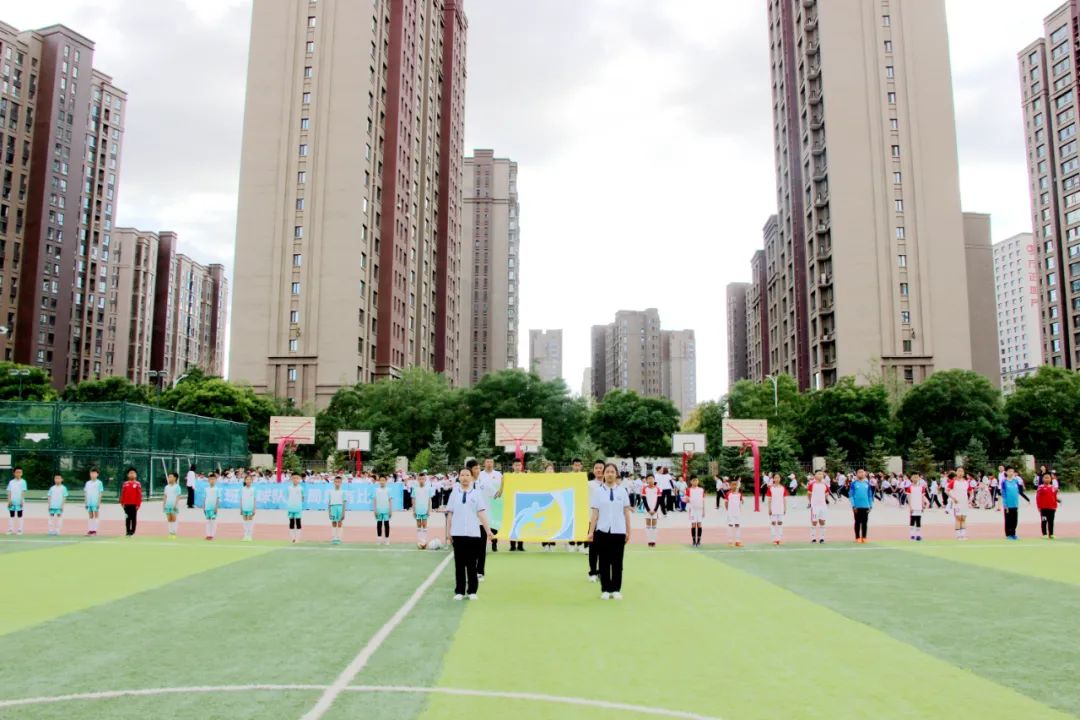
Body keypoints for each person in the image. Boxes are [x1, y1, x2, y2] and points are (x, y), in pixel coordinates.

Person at [445, 466, 494, 600]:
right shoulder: (454, 493)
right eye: (462, 475)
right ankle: (459, 591)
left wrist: (488, 530)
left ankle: (472, 591)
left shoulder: (476, 494)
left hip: (473, 533)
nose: (465, 477)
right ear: (459, 477)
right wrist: (448, 532)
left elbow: (481, 513)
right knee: (459, 564)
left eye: (467, 475)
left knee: (472, 564)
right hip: (457, 533)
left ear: (472, 478)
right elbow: (450, 513)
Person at [588, 463, 632, 600]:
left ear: (616, 474)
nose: (610, 474)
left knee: (617, 562)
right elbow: (594, 513)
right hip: (602, 530)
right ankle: (606, 589)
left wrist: (628, 531)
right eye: (607, 472)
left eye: (612, 472)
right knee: (604, 562)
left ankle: (616, 589)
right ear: (604, 474)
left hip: (619, 531)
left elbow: (626, 513)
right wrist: (591, 532)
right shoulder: (598, 492)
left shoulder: (622, 491)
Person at [476, 458, 504, 552]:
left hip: (495, 503)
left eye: (491, 462)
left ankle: (494, 543)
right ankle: (482, 544)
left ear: (493, 463)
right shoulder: (480, 474)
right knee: (482, 524)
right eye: (487, 462)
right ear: (484, 463)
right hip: (483, 503)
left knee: (494, 525)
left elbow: (501, 489)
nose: (489, 463)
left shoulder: (498, 474)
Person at [586, 459, 605, 576]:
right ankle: (592, 572)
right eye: (596, 468)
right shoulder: (588, 484)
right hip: (592, 520)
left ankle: (601, 572)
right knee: (593, 548)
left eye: (601, 468)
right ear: (593, 470)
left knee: (604, 549)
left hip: (606, 521)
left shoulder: (610, 485)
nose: (599, 470)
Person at [849, 469, 873, 543]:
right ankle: (857, 537)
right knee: (857, 522)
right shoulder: (854, 484)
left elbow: (870, 496)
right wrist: (853, 506)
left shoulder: (867, 484)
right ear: (856, 474)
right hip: (857, 507)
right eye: (859, 472)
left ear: (865, 474)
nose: (861, 474)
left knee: (865, 522)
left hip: (865, 506)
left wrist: (870, 505)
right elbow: (851, 495)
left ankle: (864, 537)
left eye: (862, 472)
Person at [1000, 467, 1023, 541]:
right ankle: (1008, 534)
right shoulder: (1004, 482)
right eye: (1009, 471)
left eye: (1012, 471)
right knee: (1008, 520)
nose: (1011, 473)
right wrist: (1005, 505)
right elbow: (1003, 494)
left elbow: (1018, 492)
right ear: (1006, 472)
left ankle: (1013, 533)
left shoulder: (1015, 481)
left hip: (1015, 504)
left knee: (1014, 520)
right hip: (1008, 505)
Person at [807, 470, 831, 544]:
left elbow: (826, 494)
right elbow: (809, 494)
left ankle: (822, 538)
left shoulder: (825, 485)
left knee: (822, 521)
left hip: (823, 506)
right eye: (818, 474)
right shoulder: (812, 485)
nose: (820, 475)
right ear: (815, 476)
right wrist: (811, 502)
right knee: (814, 522)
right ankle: (813, 538)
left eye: (821, 474)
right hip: (815, 506)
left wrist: (825, 500)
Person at [947, 470, 971, 541]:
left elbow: (971, 491)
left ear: (963, 473)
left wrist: (970, 500)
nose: (960, 473)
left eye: (962, 472)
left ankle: (963, 535)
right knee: (958, 518)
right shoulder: (954, 482)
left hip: (964, 503)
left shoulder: (966, 482)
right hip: (957, 503)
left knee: (963, 519)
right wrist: (953, 498)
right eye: (959, 472)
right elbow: (946, 490)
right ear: (956, 473)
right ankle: (958, 535)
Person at [120, 468, 143, 537]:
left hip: (134, 505)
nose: (132, 474)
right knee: (127, 518)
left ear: (136, 475)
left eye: (133, 473)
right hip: (126, 504)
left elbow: (139, 495)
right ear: (128, 475)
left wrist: (138, 504)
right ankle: (127, 531)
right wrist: (122, 503)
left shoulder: (138, 484)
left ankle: (132, 532)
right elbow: (122, 494)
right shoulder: (125, 484)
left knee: (133, 518)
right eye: (130, 473)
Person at [412, 473, 433, 547]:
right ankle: (419, 540)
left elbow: (430, 500)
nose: (421, 480)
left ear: (425, 480)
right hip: (417, 509)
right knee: (418, 525)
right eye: (420, 479)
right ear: (417, 479)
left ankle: (424, 540)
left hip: (425, 509)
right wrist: (414, 510)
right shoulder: (415, 489)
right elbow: (413, 500)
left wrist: (429, 510)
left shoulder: (428, 489)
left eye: (423, 479)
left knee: (424, 525)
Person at [1036, 473, 1059, 539]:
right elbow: (1038, 498)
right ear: (1043, 479)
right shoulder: (1040, 487)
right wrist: (1039, 507)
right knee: (1044, 521)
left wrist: (1057, 502)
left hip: (1052, 508)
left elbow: (1054, 497)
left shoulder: (1053, 487)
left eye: (1048, 477)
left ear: (1051, 479)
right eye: (1045, 477)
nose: (1047, 479)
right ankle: (1044, 534)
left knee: (1051, 521)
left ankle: (1051, 534)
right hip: (1044, 508)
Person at [6, 466, 28, 536]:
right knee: (11, 515)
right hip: (12, 501)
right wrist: (9, 500)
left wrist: (21, 500)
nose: (18, 474)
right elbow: (9, 492)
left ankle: (20, 529)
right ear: (14, 473)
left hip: (19, 501)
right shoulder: (11, 482)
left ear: (22, 473)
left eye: (20, 472)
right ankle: (10, 529)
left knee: (19, 515)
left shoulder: (23, 482)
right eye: (17, 472)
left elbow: (23, 492)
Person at [767, 473, 787, 545]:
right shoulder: (770, 488)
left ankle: (779, 538)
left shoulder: (783, 488)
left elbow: (784, 499)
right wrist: (769, 509)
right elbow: (769, 499)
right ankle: (774, 538)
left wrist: (785, 508)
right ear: (773, 479)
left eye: (778, 477)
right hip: (773, 508)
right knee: (773, 523)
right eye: (775, 477)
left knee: (780, 522)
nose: (777, 479)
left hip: (780, 508)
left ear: (780, 479)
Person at [641, 473, 661, 547]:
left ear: (654, 479)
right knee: (648, 526)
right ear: (646, 480)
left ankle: (654, 541)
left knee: (654, 526)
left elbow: (659, 500)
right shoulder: (644, 489)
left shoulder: (657, 489)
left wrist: (655, 510)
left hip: (655, 510)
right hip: (647, 510)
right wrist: (649, 510)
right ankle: (649, 541)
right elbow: (644, 500)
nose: (650, 480)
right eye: (648, 478)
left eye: (652, 478)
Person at [907, 472, 927, 541]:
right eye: (914, 477)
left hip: (919, 507)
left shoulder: (922, 488)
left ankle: (918, 535)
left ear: (919, 478)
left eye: (917, 477)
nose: (915, 478)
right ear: (911, 478)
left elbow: (922, 497)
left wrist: (923, 505)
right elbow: (909, 498)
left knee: (918, 520)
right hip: (913, 507)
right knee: (912, 520)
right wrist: (910, 507)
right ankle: (912, 535)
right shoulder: (910, 488)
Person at [84, 467, 104, 536]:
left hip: (95, 502)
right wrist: (86, 502)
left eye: (94, 473)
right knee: (90, 515)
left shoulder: (99, 483)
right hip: (89, 502)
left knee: (96, 515)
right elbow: (86, 493)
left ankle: (95, 530)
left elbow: (101, 493)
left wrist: (98, 502)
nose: (93, 474)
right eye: (91, 473)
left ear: (97, 474)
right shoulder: (87, 483)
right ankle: (90, 530)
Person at [686, 476, 706, 547]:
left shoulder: (701, 490)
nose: (695, 482)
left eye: (696, 480)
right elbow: (687, 500)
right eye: (693, 480)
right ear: (691, 482)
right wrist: (686, 500)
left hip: (700, 509)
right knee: (693, 525)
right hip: (692, 509)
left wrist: (704, 510)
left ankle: (699, 541)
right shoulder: (688, 490)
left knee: (699, 524)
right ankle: (694, 541)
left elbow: (703, 500)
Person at [287, 474, 305, 544]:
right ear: (291, 479)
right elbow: (288, 496)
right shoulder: (289, 488)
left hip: (298, 508)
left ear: (299, 479)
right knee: (291, 523)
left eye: (297, 478)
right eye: (294, 478)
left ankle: (297, 538)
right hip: (291, 508)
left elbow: (303, 498)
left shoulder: (301, 488)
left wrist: (298, 503)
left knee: (298, 522)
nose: (295, 480)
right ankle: (292, 538)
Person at [328, 475, 346, 545]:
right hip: (333, 507)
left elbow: (344, 502)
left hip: (340, 507)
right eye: (336, 482)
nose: (337, 483)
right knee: (334, 522)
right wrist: (329, 512)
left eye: (339, 482)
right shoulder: (331, 492)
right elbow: (329, 502)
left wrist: (343, 512)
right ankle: (334, 537)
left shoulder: (343, 492)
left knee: (340, 522)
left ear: (341, 483)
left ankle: (339, 538)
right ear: (334, 482)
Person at [373, 475, 391, 546]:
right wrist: (375, 510)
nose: (382, 482)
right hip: (379, 509)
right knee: (379, 524)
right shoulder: (376, 490)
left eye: (383, 480)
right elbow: (374, 500)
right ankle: (379, 539)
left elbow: (390, 500)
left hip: (386, 510)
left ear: (386, 481)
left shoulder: (388, 490)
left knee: (386, 525)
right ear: (379, 481)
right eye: (381, 480)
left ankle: (387, 539)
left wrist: (390, 510)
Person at [163, 472, 182, 539]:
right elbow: (165, 496)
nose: (169, 478)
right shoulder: (166, 487)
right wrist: (164, 504)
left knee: (174, 519)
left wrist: (175, 505)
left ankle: (174, 532)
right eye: (169, 477)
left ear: (175, 478)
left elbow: (178, 496)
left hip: (174, 505)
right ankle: (170, 532)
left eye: (170, 477)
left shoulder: (177, 487)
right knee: (169, 519)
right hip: (168, 505)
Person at [725, 480, 743, 547]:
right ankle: (730, 541)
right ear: (730, 486)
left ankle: (737, 541)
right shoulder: (728, 494)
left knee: (737, 526)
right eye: (733, 485)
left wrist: (739, 510)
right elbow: (726, 503)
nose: (734, 486)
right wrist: (728, 510)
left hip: (737, 513)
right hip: (730, 513)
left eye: (735, 485)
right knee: (730, 526)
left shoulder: (739, 494)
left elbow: (740, 503)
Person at [240, 473, 257, 541]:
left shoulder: (253, 489)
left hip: (250, 507)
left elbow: (254, 499)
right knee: (245, 522)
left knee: (250, 521)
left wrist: (254, 509)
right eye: (247, 479)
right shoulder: (242, 489)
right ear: (245, 480)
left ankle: (249, 535)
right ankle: (245, 535)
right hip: (244, 507)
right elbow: (241, 499)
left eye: (250, 479)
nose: (248, 481)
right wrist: (241, 508)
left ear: (252, 481)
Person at [203, 472, 220, 540]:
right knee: (208, 521)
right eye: (210, 479)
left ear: (215, 480)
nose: (212, 481)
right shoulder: (206, 489)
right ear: (208, 480)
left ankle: (212, 535)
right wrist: (203, 507)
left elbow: (218, 499)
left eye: (213, 479)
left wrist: (216, 507)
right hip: (207, 507)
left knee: (213, 521)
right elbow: (204, 498)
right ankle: (208, 534)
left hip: (213, 508)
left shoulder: (217, 489)